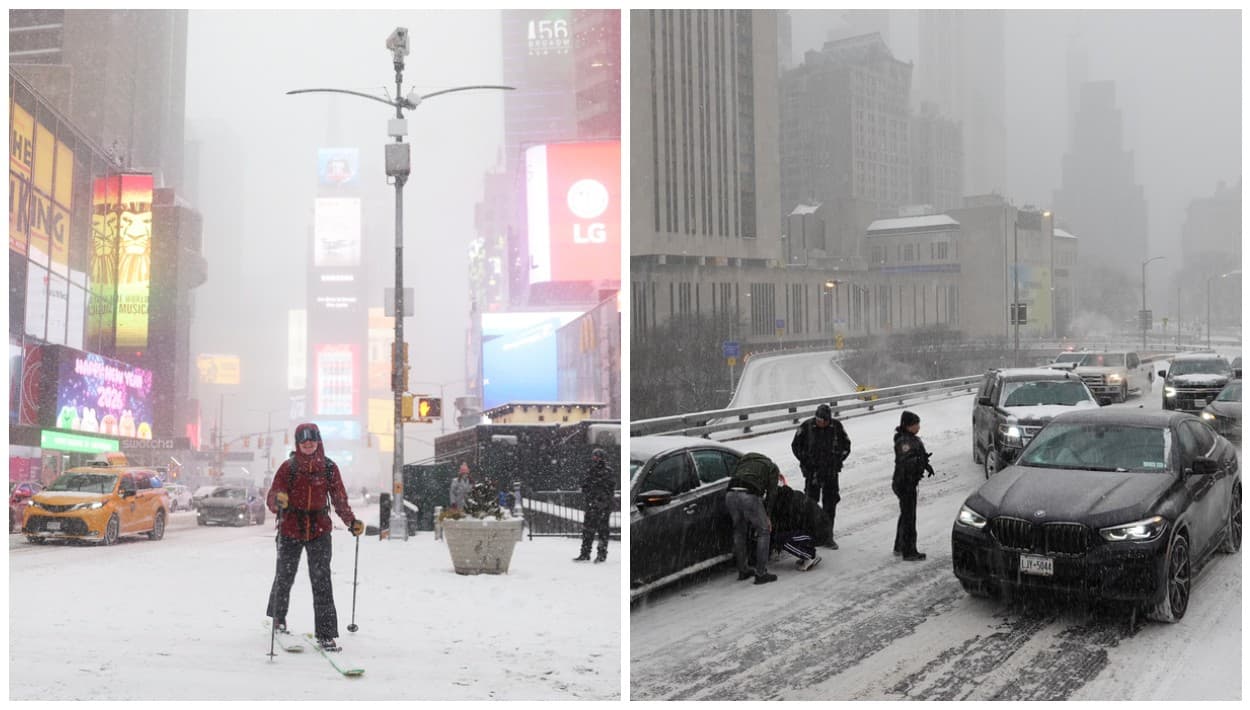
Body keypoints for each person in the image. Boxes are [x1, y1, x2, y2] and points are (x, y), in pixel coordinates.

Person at [265, 423, 365, 652]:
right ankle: (278, 617)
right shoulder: (288, 468)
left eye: (311, 440)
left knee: (322, 581)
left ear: (318, 441)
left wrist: (351, 522)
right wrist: (277, 500)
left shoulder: (329, 468)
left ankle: (326, 633)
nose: (308, 444)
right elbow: (272, 496)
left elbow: (339, 499)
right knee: (284, 576)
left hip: (319, 530)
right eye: (303, 441)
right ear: (298, 444)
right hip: (291, 528)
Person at [790, 403, 851, 549]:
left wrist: (837, 460)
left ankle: (827, 536)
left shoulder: (836, 427)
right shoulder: (806, 427)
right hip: (812, 473)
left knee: (830, 504)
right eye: (818, 420)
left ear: (829, 419)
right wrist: (806, 460)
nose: (820, 423)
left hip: (830, 472)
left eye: (823, 421)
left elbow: (847, 445)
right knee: (810, 504)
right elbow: (795, 446)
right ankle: (811, 536)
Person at [726, 452, 781, 585]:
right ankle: (761, 574)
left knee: (739, 531)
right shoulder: (771, 467)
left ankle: (743, 570)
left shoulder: (743, 462)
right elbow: (772, 493)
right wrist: (767, 515)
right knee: (764, 532)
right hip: (749, 495)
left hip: (730, 494)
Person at [892, 410, 935, 562]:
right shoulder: (904, 442)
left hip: (908, 482)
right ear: (908, 426)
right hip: (905, 483)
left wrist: (925, 464)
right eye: (916, 424)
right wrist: (918, 462)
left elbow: (917, 456)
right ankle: (909, 551)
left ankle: (899, 546)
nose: (918, 427)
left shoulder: (911, 439)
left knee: (906, 514)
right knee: (909, 517)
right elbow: (906, 462)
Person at [769, 484, 828, 571]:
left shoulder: (788, 506)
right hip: (821, 528)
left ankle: (810, 556)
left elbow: (789, 526)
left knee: (781, 539)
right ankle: (807, 552)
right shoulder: (793, 495)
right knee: (787, 535)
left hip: (818, 533)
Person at [575, 448, 615, 563]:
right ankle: (587, 553)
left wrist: (598, 498)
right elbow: (587, 486)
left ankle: (597, 554)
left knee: (598, 530)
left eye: (596, 457)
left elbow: (606, 488)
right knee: (590, 530)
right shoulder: (594, 470)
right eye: (594, 457)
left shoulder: (605, 471)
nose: (594, 459)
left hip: (600, 505)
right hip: (595, 504)